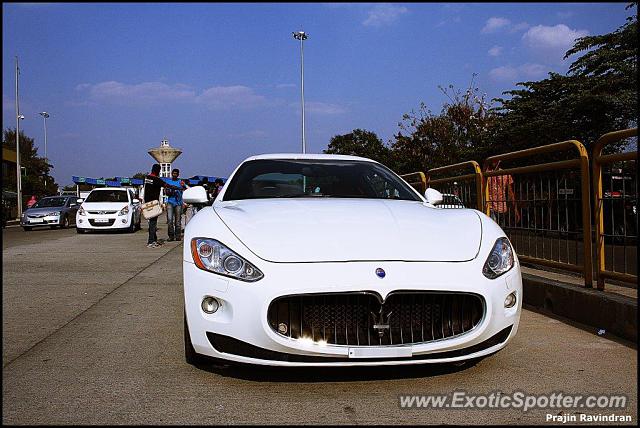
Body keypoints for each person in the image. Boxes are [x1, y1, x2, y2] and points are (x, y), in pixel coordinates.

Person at [142, 163, 180, 248]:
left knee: (151, 222)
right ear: (158, 171)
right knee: (153, 223)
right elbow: (167, 185)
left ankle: (154, 239)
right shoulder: (156, 179)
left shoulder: (147, 178)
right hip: (154, 204)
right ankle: (151, 242)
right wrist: (178, 188)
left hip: (147, 203)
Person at [486, 159, 520, 225]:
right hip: (490, 207)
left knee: (500, 229)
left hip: (502, 207)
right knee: (493, 227)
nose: (494, 162)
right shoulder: (486, 173)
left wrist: (515, 209)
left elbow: (510, 193)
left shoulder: (505, 174)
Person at [164, 168, 187, 241]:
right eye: (173, 173)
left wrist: (182, 187)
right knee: (170, 220)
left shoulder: (180, 182)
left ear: (178, 174)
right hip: (170, 202)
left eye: (176, 174)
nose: (174, 175)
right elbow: (166, 192)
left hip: (178, 203)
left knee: (177, 221)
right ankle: (171, 236)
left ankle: (178, 236)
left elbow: (184, 189)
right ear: (171, 174)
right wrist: (171, 190)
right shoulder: (168, 181)